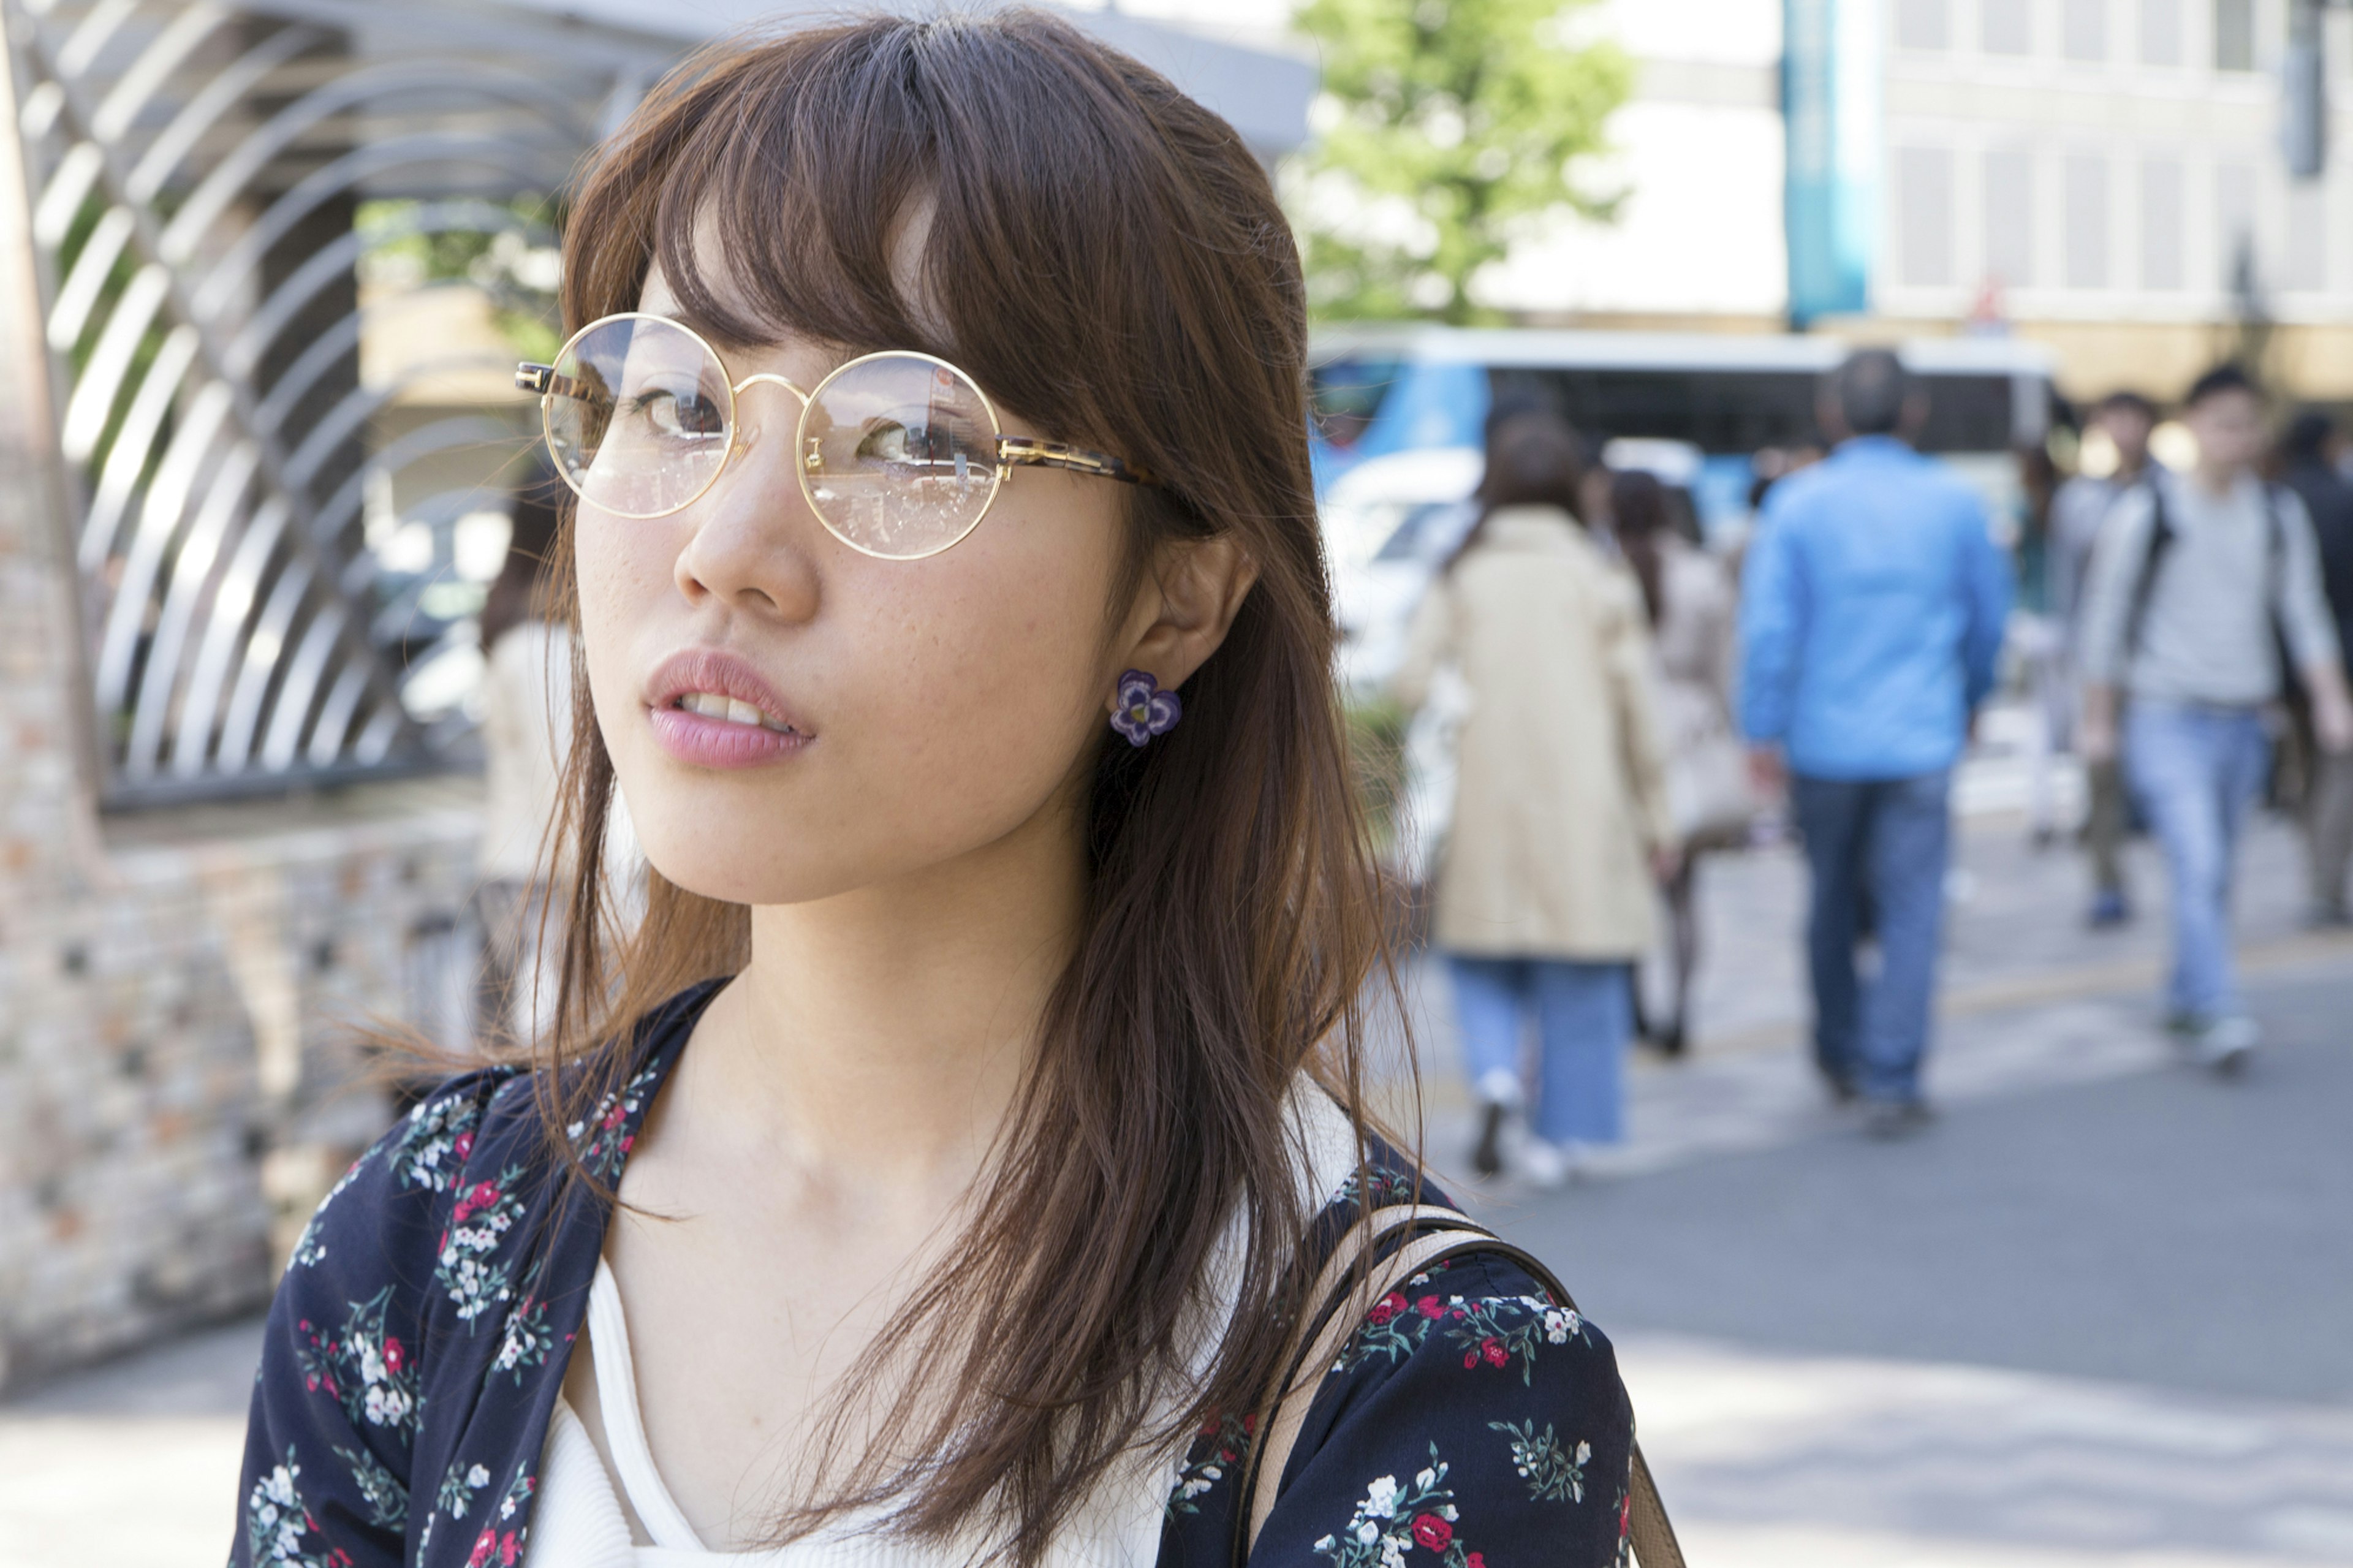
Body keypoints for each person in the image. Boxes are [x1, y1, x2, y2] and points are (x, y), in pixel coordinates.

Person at [227, 17, 1646, 1568]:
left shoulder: (1413, 1387)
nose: (726, 546)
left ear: (1175, 597)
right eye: (680, 402)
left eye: (913, 435)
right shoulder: (426, 1245)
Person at [1393, 414, 1676, 1187]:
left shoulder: (1464, 574)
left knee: (1481, 962)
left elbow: (1410, 681)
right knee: (1579, 982)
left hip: (1484, 800)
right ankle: (1560, 1142)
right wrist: (1660, 815)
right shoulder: (1599, 577)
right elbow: (1639, 711)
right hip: (1585, 810)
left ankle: (1494, 1077)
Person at [1739, 349, 2010, 1137]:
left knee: (1828, 899)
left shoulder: (1797, 504)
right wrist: (1974, 696)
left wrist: (1762, 725)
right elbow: (1987, 622)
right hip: (1922, 735)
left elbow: (1769, 630)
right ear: (1915, 410)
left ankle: (1839, 1051)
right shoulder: (1957, 503)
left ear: (1831, 414)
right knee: (1913, 908)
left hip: (1824, 742)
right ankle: (1894, 1072)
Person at [2077, 365, 2353, 1069]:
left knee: (2216, 872)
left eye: (2247, 422)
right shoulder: (2149, 511)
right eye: (2222, 421)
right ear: (2194, 423)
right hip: (2166, 716)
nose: (2236, 436)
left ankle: (2185, 993)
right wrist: (2099, 721)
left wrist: (2330, 701)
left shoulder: (2274, 513)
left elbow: (2304, 613)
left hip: (2243, 720)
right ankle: (2218, 1010)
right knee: (2197, 859)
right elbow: (2103, 622)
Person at [1610, 468, 1744, 1058]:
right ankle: (1682, 1011)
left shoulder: (1601, 576)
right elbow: (1725, 671)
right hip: (1688, 736)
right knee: (1686, 892)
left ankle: (1634, 1006)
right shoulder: (1700, 574)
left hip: (1620, 742)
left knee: (1624, 884)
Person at [2050, 392, 2160, 926]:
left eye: (2133, 418)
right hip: (2098, 658)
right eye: (2114, 418)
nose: (2124, 429)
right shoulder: (2081, 498)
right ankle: (2107, 881)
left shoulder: (2172, 493)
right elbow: (2068, 580)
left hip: (2164, 659)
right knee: (2101, 774)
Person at [474, 467, 573, 1050]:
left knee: (519, 1041)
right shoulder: (550, 645)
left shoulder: (507, 634)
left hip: (510, 866)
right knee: (548, 1048)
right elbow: (559, 777)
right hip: (549, 877)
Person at [2276, 409, 2353, 924]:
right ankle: (2323, 886)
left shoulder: (2274, 499)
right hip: (2341, 657)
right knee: (2340, 770)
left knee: (2304, 769)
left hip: (2282, 662)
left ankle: (2315, 874)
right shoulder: (2341, 498)